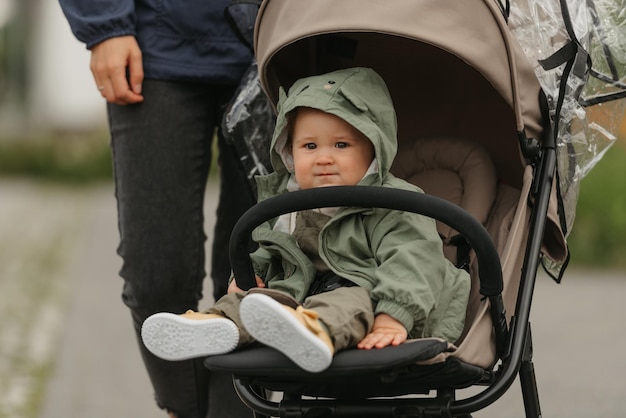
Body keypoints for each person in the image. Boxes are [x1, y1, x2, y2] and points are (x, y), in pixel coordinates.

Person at [141, 67, 471, 374]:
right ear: (289, 151)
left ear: (373, 146)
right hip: (297, 293)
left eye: (341, 145)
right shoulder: (287, 203)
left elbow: (413, 262)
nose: (323, 158)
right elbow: (271, 248)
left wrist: (393, 316)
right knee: (254, 300)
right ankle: (219, 324)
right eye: (309, 146)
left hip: (370, 295)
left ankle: (313, 331)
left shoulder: (394, 204)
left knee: (344, 301)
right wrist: (250, 274)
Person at [58, 1, 257, 417]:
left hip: (280, 43)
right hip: (156, 49)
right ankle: (185, 409)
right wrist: (105, 25)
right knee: (155, 275)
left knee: (256, 276)